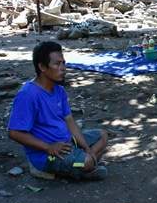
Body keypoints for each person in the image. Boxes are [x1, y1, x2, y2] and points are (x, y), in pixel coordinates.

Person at [8, 41, 108, 180]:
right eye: (57, 64)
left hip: (67, 143)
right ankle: (77, 166)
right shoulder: (28, 94)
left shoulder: (58, 89)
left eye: (63, 63)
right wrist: (48, 147)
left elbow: (69, 121)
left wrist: (86, 147)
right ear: (42, 67)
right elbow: (14, 133)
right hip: (47, 155)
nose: (63, 68)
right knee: (85, 162)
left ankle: (84, 163)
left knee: (103, 136)